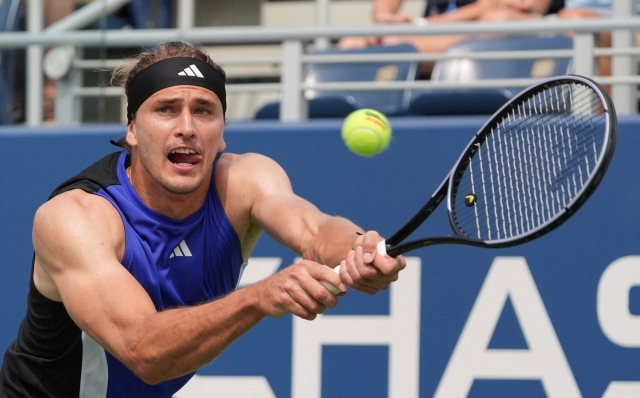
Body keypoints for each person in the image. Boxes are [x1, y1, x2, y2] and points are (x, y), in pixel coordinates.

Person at [0, 41, 406, 397]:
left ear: (223, 131)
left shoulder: (244, 181)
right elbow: (143, 351)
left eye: (204, 110)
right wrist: (258, 297)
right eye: (166, 109)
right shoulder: (76, 218)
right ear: (133, 131)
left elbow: (315, 230)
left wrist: (357, 249)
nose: (187, 128)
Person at [339, 0, 562, 76]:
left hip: (492, 33)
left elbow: (493, 7)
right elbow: (384, 11)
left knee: (497, 21)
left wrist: (421, 27)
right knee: (350, 44)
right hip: (431, 33)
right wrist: (384, 18)